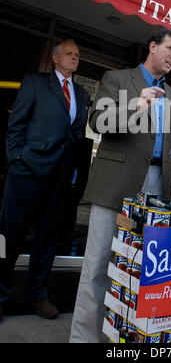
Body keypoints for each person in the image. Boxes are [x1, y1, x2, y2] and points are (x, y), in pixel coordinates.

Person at [70, 28, 171, 343]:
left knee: (136, 274)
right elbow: (97, 122)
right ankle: (83, 339)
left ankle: (118, 338)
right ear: (152, 46)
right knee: (98, 267)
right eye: (170, 48)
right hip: (116, 186)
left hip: (156, 193)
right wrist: (136, 103)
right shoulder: (118, 79)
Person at [0, 39, 90, 321]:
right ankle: (1, 295)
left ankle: (37, 294)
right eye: (69, 54)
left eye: (77, 55)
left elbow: (76, 137)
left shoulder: (81, 93)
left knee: (46, 241)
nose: (75, 58)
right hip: (27, 173)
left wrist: (74, 174)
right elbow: (16, 124)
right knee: (10, 236)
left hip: (59, 180)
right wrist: (17, 159)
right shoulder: (35, 83)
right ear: (55, 58)